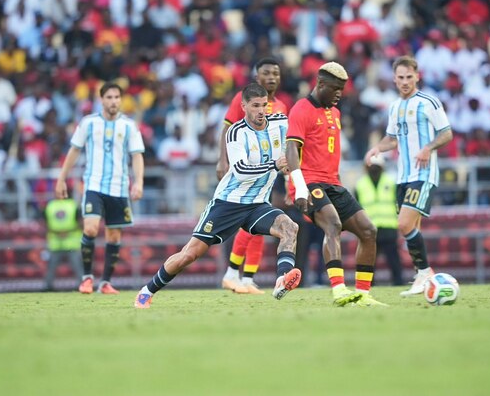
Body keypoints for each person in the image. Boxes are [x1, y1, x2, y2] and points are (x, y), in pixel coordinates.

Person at [134, 83, 301, 308]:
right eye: (255, 106)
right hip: (228, 203)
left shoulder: (280, 123)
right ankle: (147, 291)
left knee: (289, 228)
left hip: (257, 204)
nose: (261, 110)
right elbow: (240, 170)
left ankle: (282, 279)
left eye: (264, 105)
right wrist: (274, 165)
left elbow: (300, 137)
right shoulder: (236, 132)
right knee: (190, 254)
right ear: (243, 106)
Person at [287, 62, 386, 307]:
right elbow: (291, 150)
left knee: (369, 231)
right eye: (335, 88)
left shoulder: (335, 112)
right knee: (333, 224)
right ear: (321, 84)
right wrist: (299, 187)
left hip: (333, 182)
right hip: (308, 182)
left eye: (342, 89)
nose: (340, 94)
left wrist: (338, 184)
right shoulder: (301, 109)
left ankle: (362, 294)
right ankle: (339, 289)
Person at [364, 55, 453, 297]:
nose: (405, 82)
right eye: (401, 77)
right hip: (402, 176)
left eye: (409, 77)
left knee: (403, 224)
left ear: (417, 76)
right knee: (412, 227)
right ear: (394, 79)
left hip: (423, 173)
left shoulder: (428, 102)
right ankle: (421, 278)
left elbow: (446, 133)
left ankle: (425, 272)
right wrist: (376, 148)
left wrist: (428, 148)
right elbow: (392, 139)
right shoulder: (394, 107)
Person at [55, 82, 145, 295]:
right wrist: (61, 178)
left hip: (119, 187)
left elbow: (137, 155)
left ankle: (105, 283)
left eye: (117, 97)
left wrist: (139, 182)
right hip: (94, 184)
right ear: (101, 100)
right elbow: (74, 150)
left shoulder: (129, 125)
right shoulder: (88, 123)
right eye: (109, 97)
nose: (114, 101)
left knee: (114, 236)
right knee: (90, 229)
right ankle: (87, 278)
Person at [217, 58, 288, 295]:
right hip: (246, 169)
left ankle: (247, 278)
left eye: (275, 74)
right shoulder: (243, 99)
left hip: (269, 173)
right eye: (266, 73)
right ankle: (232, 274)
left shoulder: (281, 106)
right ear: (257, 77)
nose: (271, 78)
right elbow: (227, 127)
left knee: (258, 228)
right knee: (249, 224)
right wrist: (222, 160)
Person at [354, 154, 404, 286]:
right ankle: (368, 285)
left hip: (388, 228)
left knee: (394, 260)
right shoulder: (360, 185)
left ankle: (398, 283)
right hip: (369, 229)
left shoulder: (391, 182)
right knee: (369, 261)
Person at [42, 190, 83, 292]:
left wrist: (61, 232)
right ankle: (48, 286)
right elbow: (44, 223)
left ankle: (83, 285)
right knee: (51, 267)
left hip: (70, 243)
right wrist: (63, 232)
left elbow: (81, 223)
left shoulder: (51, 206)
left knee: (77, 267)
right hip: (59, 243)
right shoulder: (71, 205)